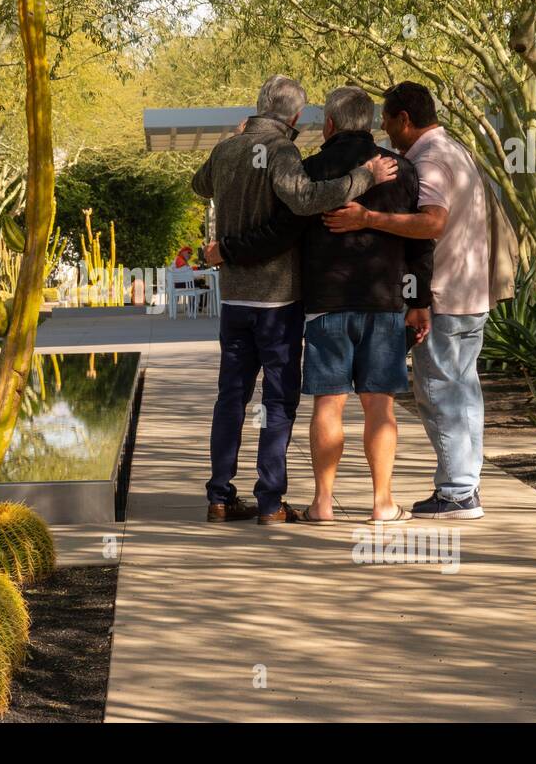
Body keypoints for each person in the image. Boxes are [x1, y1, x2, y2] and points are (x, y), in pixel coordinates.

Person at [207, 86, 434, 523]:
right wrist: (418, 298)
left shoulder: (309, 169)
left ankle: (323, 503)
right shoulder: (401, 169)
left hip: (326, 304)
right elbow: (420, 238)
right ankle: (383, 502)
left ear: (328, 124)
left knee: (328, 404)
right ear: (370, 123)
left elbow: (281, 233)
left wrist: (228, 249)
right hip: (384, 302)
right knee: (379, 405)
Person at [323, 81, 489, 519]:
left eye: (388, 120)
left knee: (439, 391)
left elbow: (431, 224)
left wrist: (367, 218)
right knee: (464, 389)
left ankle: (456, 492)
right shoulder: (458, 151)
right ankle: (466, 484)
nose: (384, 129)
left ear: (405, 120)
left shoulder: (429, 159)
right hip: (471, 292)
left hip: (444, 293)